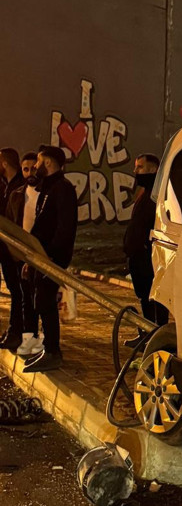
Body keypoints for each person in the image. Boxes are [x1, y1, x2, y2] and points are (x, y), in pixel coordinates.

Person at [22, 146, 78, 373]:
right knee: (40, 301)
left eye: (38, 162)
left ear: (48, 163)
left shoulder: (62, 189)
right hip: (41, 256)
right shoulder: (48, 188)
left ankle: (53, 352)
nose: (34, 167)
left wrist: (52, 256)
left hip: (52, 257)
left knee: (45, 301)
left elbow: (64, 227)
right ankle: (49, 349)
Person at [123, 153, 168, 341]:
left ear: (153, 169)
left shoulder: (158, 193)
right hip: (138, 255)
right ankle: (146, 333)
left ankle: (157, 337)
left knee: (155, 299)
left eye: (140, 167)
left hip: (149, 255)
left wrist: (144, 246)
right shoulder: (146, 191)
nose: (135, 171)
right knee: (144, 296)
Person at [6, 152, 43, 358]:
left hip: (41, 256)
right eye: (25, 169)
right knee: (25, 300)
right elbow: (12, 225)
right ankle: (28, 339)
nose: (29, 173)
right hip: (20, 256)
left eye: (33, 168)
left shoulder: (46, 194)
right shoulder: (17, 195)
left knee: (42, 301)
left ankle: (44, 344)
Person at [0, 147, 26, 351]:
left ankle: (17, 332)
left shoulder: (20, 187)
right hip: (5, 249)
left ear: (5, 164)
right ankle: (13, 330)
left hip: (16, 250)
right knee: (14, 290)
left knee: (19, 292)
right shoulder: (5, 186)